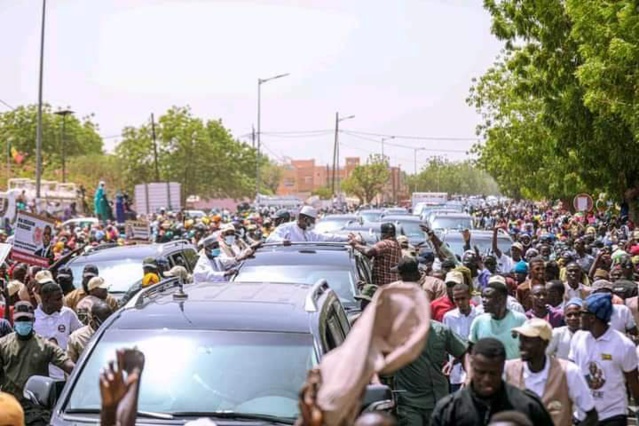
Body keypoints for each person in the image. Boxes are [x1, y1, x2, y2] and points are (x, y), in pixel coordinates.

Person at [430, 338, 553, 426]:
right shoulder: (449, 410)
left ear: (502, 368)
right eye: (481, 372)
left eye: (493, 373)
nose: (487, 379)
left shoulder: (526, 406)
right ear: (472, 366)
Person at [505, 318, 598, 426]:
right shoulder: (509, 369)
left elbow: (591, 415)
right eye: (521, 339)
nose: (521, 345)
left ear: (544, 343)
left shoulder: (568, 371)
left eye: (527, 340)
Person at [570, 292, 639, 425]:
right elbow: (571, 374)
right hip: (583, 415)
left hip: (612, 415)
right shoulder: (578, 338)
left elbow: (633, 382)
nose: (577, 317)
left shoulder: (623, 345)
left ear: (592, 318)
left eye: (581, 313)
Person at [0, 301, 74, 426]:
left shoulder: (45, 346)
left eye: (26, 320)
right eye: (20, 320)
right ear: (14, 321)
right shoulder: (3, 345)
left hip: (36, 410)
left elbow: (69, 366)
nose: (23, 323)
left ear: (33, 320)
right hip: (10, 406)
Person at [394, 320, 469, 425]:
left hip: (439, 400)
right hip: (410, 402)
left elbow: (464, 352)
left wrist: (469, 376)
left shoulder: (441, 331)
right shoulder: (396, 333)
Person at [470, 276, 527, 360]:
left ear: (501, 299)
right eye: (483, 297)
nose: (483, 300)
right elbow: (470, 350)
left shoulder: (520, 320)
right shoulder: (478, 321)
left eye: (488, 297)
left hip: (513, 371)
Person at [34, 282, 83, 379]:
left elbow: (80, 334)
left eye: (62, 297)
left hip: (64, 372)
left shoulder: (68, 314)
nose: (62, 301)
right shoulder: (34, 317)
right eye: (58, 299)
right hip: (40, 374)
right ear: (46, 300)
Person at [443, 282, 479, 392]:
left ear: (469, 297)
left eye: (463, 298)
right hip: (456, 375)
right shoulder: (449, 317)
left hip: (477, 371)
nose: (460, 302)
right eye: (456, 299)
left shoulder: (480, 316)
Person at [267, 206, 351, 243]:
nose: (314, 224)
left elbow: (327, 237)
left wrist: (347, 238)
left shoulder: (310, 233)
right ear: (305, 219)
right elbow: (270, 239)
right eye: (312, 221)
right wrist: (282, 241)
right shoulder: (285, 229)